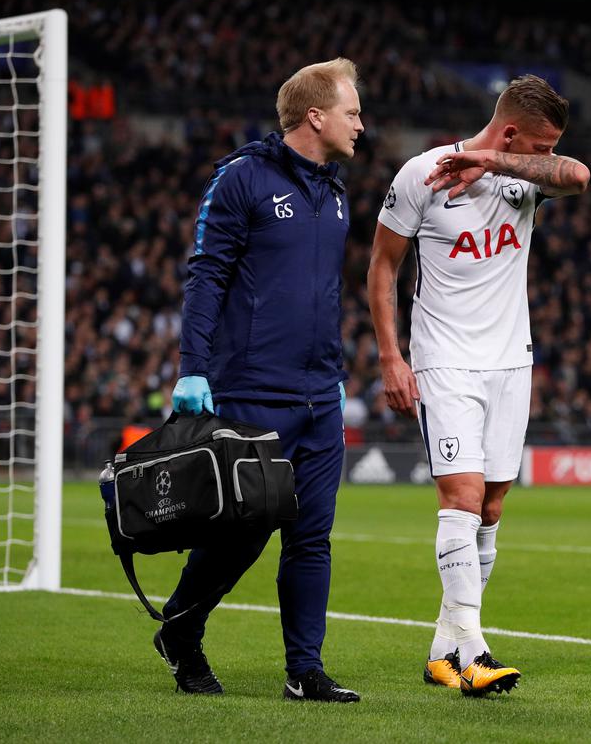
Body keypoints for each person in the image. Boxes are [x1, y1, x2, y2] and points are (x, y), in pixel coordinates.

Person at [367, 75, 591, 696]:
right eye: (541, 144)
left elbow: (580, 177)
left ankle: (445, 650)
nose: (547, 157)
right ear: (515, 129)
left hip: (510, 362)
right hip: (444, 361)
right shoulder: (424, 174)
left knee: (490, 509)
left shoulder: (523, 175)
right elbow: (383, 265)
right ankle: (476, 649)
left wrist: (494, 160)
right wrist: (391, 356)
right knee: (462, 499)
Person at [155, 58, 363, 702]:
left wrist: (333, 375)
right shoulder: (241, 178)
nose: (362, 124)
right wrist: (193, 370)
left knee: (312, 536)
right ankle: (180, 634)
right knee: (239, 536)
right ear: (316, 116)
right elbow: (206, 274)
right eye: (353, 112)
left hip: (320, 397)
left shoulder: (335, 194)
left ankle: (305, 671)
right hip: (250, 392)